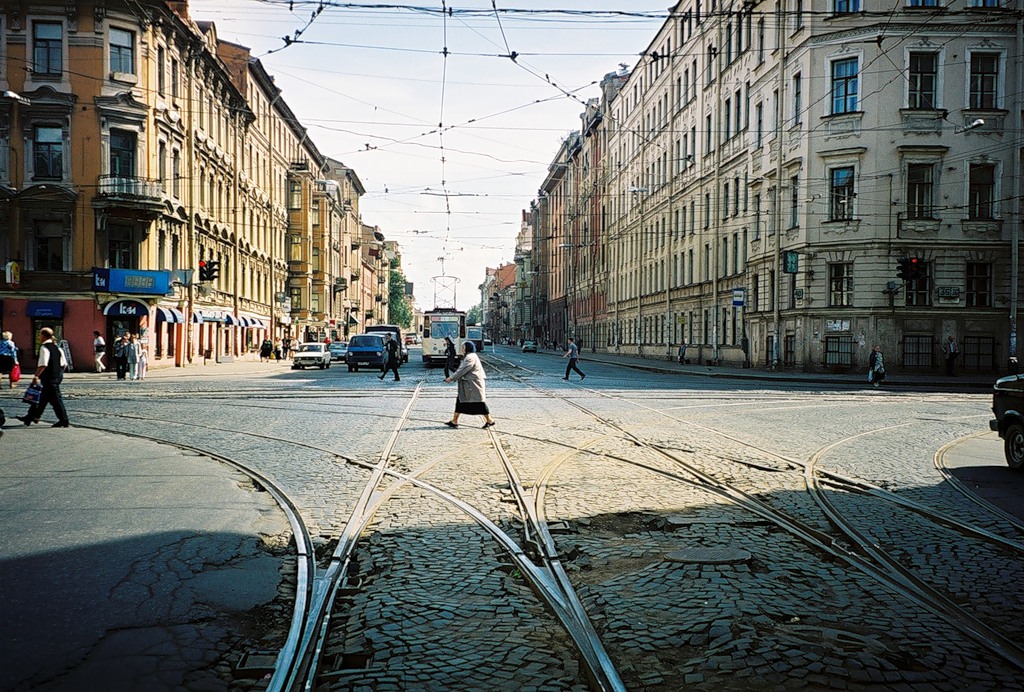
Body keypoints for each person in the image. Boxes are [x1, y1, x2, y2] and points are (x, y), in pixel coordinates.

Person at [17, 327, 69, 427]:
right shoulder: (57, 348)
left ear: (43, 336)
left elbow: (43, 364)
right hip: (56, 376)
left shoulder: (44, 348)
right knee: (42, 397)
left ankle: (64, 420)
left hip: (48, 378)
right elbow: (64, 364)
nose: (39, 337)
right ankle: (32, 417)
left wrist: (36, 376)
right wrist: (58, 373)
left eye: (40, 335)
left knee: (56, 400)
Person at [444, 341, 495, 428]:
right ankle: (454, 421)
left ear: (468, 348)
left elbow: (463, 370)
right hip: (468, 384)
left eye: (463, 347)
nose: (462, 349)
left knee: (479, 403)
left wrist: (451, 378)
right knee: (460, 401)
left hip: (472, 385)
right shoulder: (469, 356)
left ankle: (490, 420)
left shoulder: (470, 357)